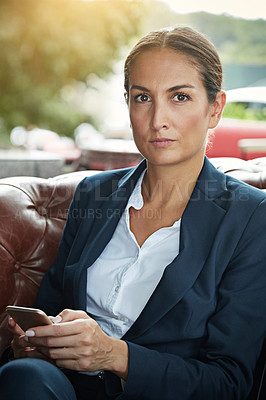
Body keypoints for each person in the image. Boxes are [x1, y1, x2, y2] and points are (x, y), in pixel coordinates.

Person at [0, 26, 266, 400]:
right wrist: (35, 341)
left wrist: (114, 355)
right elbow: (50, 309)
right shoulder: (94, 194)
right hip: (57, 389)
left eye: (180, 97)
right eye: (143, 97)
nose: (158, 119)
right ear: (128, 105)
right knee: (24, 374)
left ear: (215, 108)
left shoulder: (252, 218)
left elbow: (229, 382)